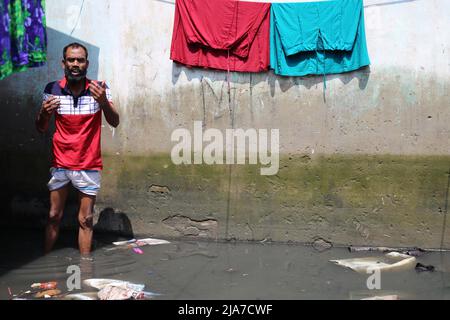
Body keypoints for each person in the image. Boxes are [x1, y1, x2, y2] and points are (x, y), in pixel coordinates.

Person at [36, 43, 120, 256]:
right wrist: (44, 113)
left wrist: (103, 102)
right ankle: (44, 262)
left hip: (88, 164)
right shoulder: (52, 89)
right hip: (61, 163)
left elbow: (115, 121)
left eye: (80, 60)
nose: (75, 64)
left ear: (87, 64)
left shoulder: (99, 88)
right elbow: (41, 127)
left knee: (86, 219)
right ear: (64, 63)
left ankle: (85, 270)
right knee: (54, 215)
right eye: (71, 60)